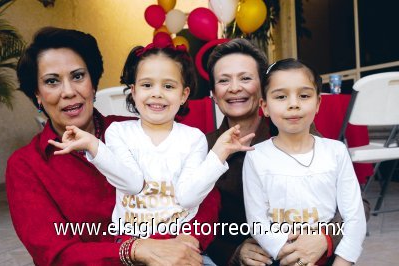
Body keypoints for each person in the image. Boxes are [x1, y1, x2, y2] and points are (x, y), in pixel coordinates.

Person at [6, 26, 219, 266]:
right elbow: (53, 253)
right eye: (52, 81)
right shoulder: (26, 165)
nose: (68, 92)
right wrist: (135, 250)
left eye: (78, 76)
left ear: (93, 84)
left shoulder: (136, 131)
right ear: (37, 94)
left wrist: (187, 242)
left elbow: (206, 196)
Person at [48, 43, 255, 254]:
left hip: (180, 239)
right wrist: (94, 146)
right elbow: (132, 183)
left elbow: (188, 197)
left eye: (168, 86)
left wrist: (218, 154)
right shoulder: (118, 132)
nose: (157, 93)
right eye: (147, 85)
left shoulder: (194, 138)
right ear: (133, 91)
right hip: (133, 241)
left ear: (183, 95)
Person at [205, 39, 370, 266]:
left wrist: (325, 238)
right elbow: (189, 218)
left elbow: (357, 206)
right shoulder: (204, 147)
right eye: (224, 81)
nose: (235, 88)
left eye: (245, 78)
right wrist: (233, 252)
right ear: (213, 93)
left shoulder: (297, 129)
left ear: (262, 87)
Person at [243, 58, 366, 266]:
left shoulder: (335, 152)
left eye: (304, 95)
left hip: (329, 257)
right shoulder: (256, 156)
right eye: (281, 96)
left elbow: (354, 216)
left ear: (318, 103)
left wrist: (343, 260)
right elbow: (257, 222)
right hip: (281, 257)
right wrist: (288, 254)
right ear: (264, 106)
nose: (293, 104)